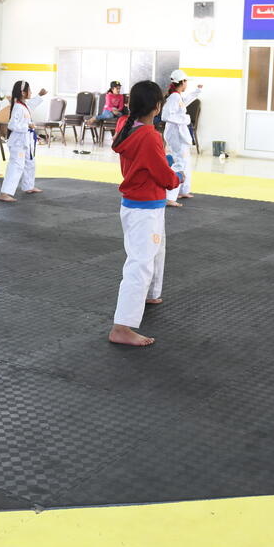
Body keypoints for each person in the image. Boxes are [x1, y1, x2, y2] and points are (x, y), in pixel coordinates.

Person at [108, 81, 182, 348]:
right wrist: (177, 177)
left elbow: (148, 163)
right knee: (140, 262)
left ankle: (151, 293)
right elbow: (163, 175)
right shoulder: (150, 135)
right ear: (157, 107)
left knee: (156, 249)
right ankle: (122, 326)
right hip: (144, 205)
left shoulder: (125, 125)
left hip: (136, 203)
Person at [162, 70, 202, 207]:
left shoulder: (177, 97)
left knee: (185, 162)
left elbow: (184, 102)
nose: (187, 84)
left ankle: (183, 190)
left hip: (179, 134)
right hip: (176, 135)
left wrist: (196, 92)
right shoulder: (173, 98)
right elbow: (165, 116)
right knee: (179, 162)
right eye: (186, 82)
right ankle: (170, 196)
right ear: (182, 82)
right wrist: (184, 119)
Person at [0, 81, 42, 202]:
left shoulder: (23, 105)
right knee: (16, 166)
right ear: (23, 92)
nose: (31, 92)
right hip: (18, 142)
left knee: (30, 162)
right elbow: (12, 125)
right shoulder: (18, 107)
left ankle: (28, 186)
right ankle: (4, 193)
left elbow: (32, 105)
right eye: (29, 90)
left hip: (25, 140)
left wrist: (40, 95)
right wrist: (28, 126)